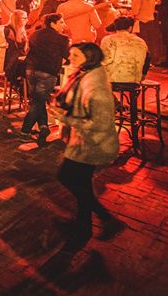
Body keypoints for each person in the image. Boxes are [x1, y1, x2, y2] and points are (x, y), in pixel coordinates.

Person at [54, 43, 122, 248]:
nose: (70, 57)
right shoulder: (85, 74)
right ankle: (85, 225)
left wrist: (66, 119)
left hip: (93, 143)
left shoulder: (96, 86)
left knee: (67, 176)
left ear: (89, 57)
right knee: (81, 183)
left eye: (76, 55)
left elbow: (100, 123)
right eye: (70, 53)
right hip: (84, 141)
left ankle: (104, 219)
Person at [22, 13, 70, 146]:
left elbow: (29, 49)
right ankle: (25, 130)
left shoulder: (36, 34)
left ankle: (43, 126)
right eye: (61, 22)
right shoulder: (62, 39)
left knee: (38, 100)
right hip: (47, 72)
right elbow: (68, 56)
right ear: (53, 23)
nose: (63, 25)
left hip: (31, 69)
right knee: (38, 102)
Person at [101, 16, 149, 85]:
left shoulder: (108, 39)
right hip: (135, 80)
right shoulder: (141, 41)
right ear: (130, 28)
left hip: (113, 79)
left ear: (115, 27)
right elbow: (147, 59)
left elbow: (105, 60)